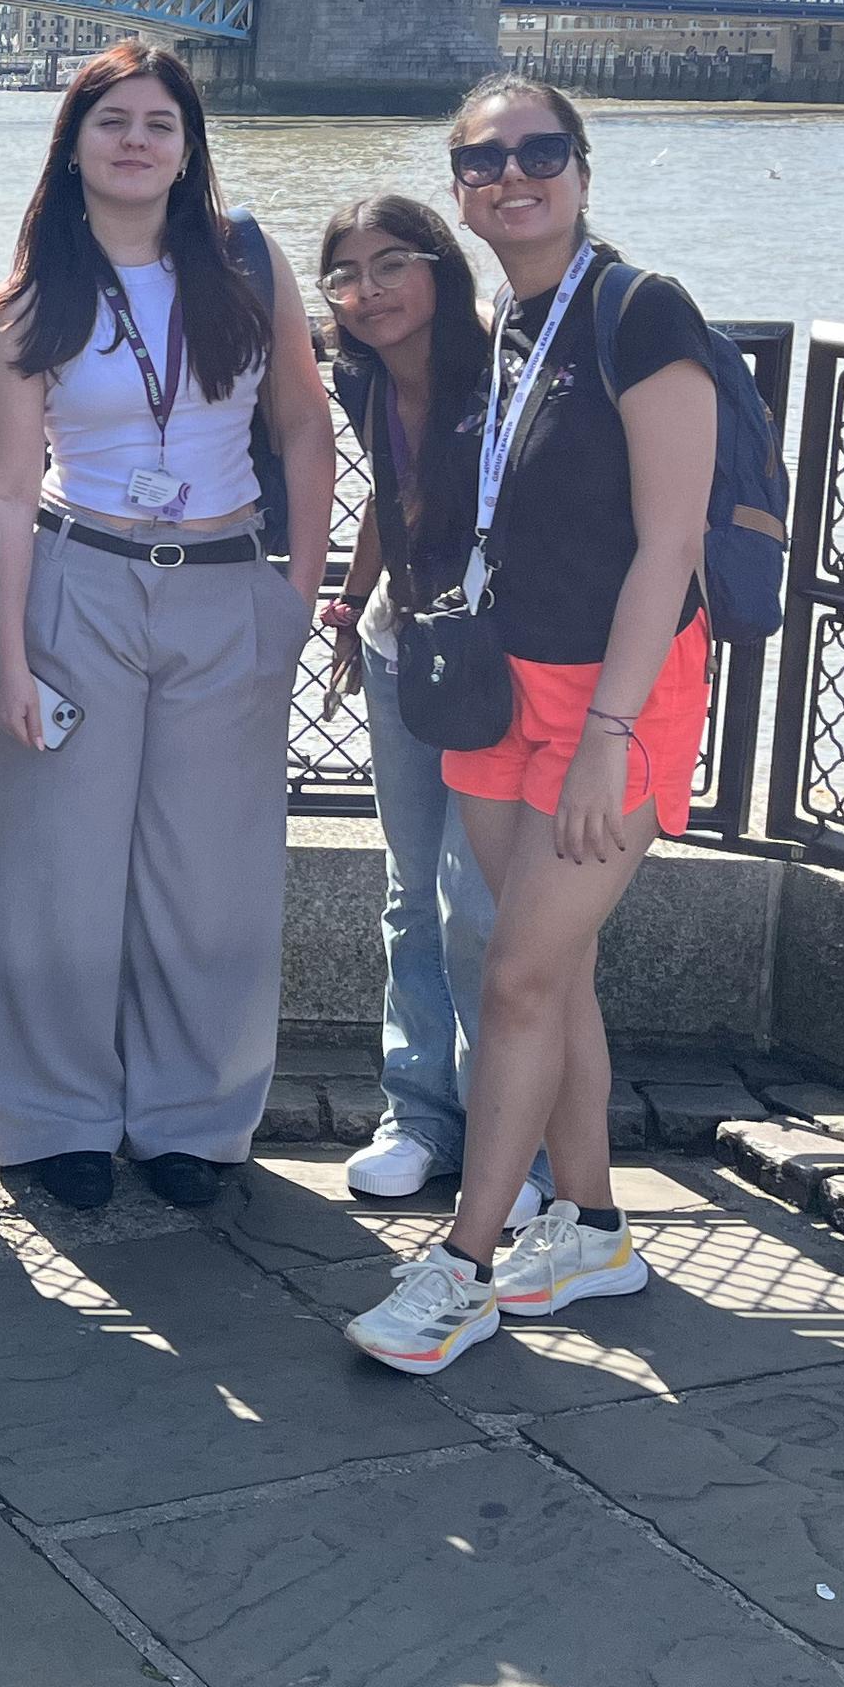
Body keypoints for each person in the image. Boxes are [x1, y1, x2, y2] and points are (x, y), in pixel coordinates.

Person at [348, 82, 719, 1376]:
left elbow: (671, 542)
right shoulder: (504, 320)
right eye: (481, 160)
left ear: (581, 164)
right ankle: (597, 1227)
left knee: (511, 975)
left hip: (618, 699)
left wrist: (614, 732)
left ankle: (464, 1263)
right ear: (457, 187)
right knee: (549, 971)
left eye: (538, 152)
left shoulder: (641, 311)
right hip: (509, 690)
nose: (513, 177)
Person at [0, 46, 337, 1213]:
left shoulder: (248, 265)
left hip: (227, 581)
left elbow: (304, 430)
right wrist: (9, 652)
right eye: (112, 121)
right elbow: (8, 490)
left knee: (213, 871)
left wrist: (297, 592)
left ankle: (194, 1115)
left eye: (160, 124)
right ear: (72, 142)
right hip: (80, 579)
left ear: (189, 150)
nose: (136, 141)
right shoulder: (27, 298)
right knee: (56, 865)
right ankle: (56, 1119)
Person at [315, 196, 542, 1218]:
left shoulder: (501, 375)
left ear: (441, 269)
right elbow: (385, 496)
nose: (369, 292)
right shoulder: (362, 373)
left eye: (392, 264)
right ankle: (417, 1116)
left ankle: (520, 1152)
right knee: (412, 894)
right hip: (405, 655)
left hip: (500, 665)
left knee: (482, 910)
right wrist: (355, 599)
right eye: (347, 274)